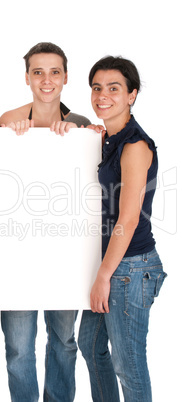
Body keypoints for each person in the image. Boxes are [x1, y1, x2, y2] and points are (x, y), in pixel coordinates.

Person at [0, 42, 118, 402]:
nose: (46, 80)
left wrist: (92, 138)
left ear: (65, 77)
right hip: (17, 255)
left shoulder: (82, 125)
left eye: (54, 72)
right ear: (27, 78)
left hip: (65, 257)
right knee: (18, 347)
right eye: (38, 72)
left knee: (63, 341)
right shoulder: (8, 121)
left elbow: (96, 186)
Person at [78, 56, 167, 402]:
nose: (103, 95)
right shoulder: (110, 138)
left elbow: (128, 220)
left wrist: (103, 276)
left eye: (114, 88)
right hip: (114, 265)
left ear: (131, 95)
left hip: (130, 267)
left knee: (128, 364)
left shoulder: (135, 146)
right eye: (97, 87)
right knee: (90, 345)